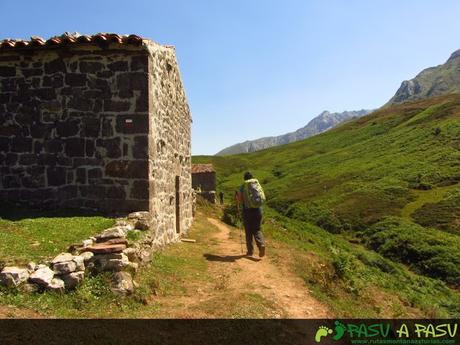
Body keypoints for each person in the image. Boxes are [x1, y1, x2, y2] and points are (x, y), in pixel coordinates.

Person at [236, 171, 266, 258]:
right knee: (257, 229)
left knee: (248, 231)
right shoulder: (256, 184)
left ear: (244, 178)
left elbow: (240, 200)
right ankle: (261, 245)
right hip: (258, 210)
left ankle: (250, 252)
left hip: (247, 211)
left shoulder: (243, 186)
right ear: (252, 177)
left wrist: (238, 198)